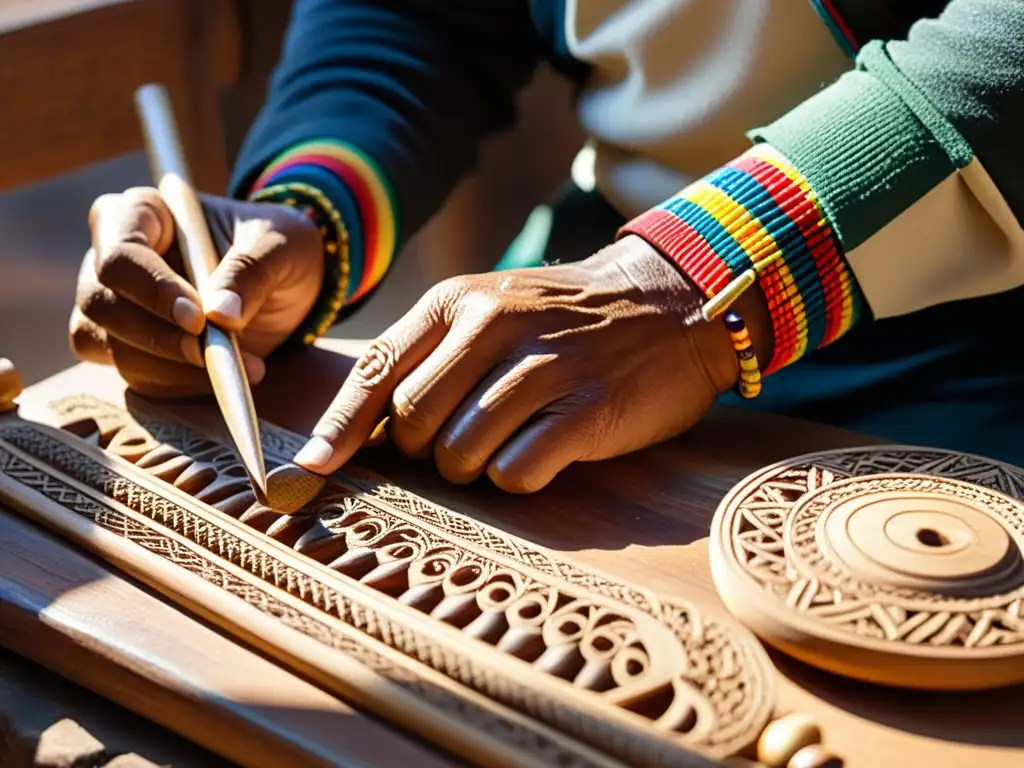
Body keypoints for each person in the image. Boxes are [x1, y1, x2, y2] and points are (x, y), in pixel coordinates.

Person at [70, 0, 1024, 493]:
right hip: (593, 280)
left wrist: (707, 272)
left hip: (967, 337)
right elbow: (419, 21)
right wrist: (309, 215)